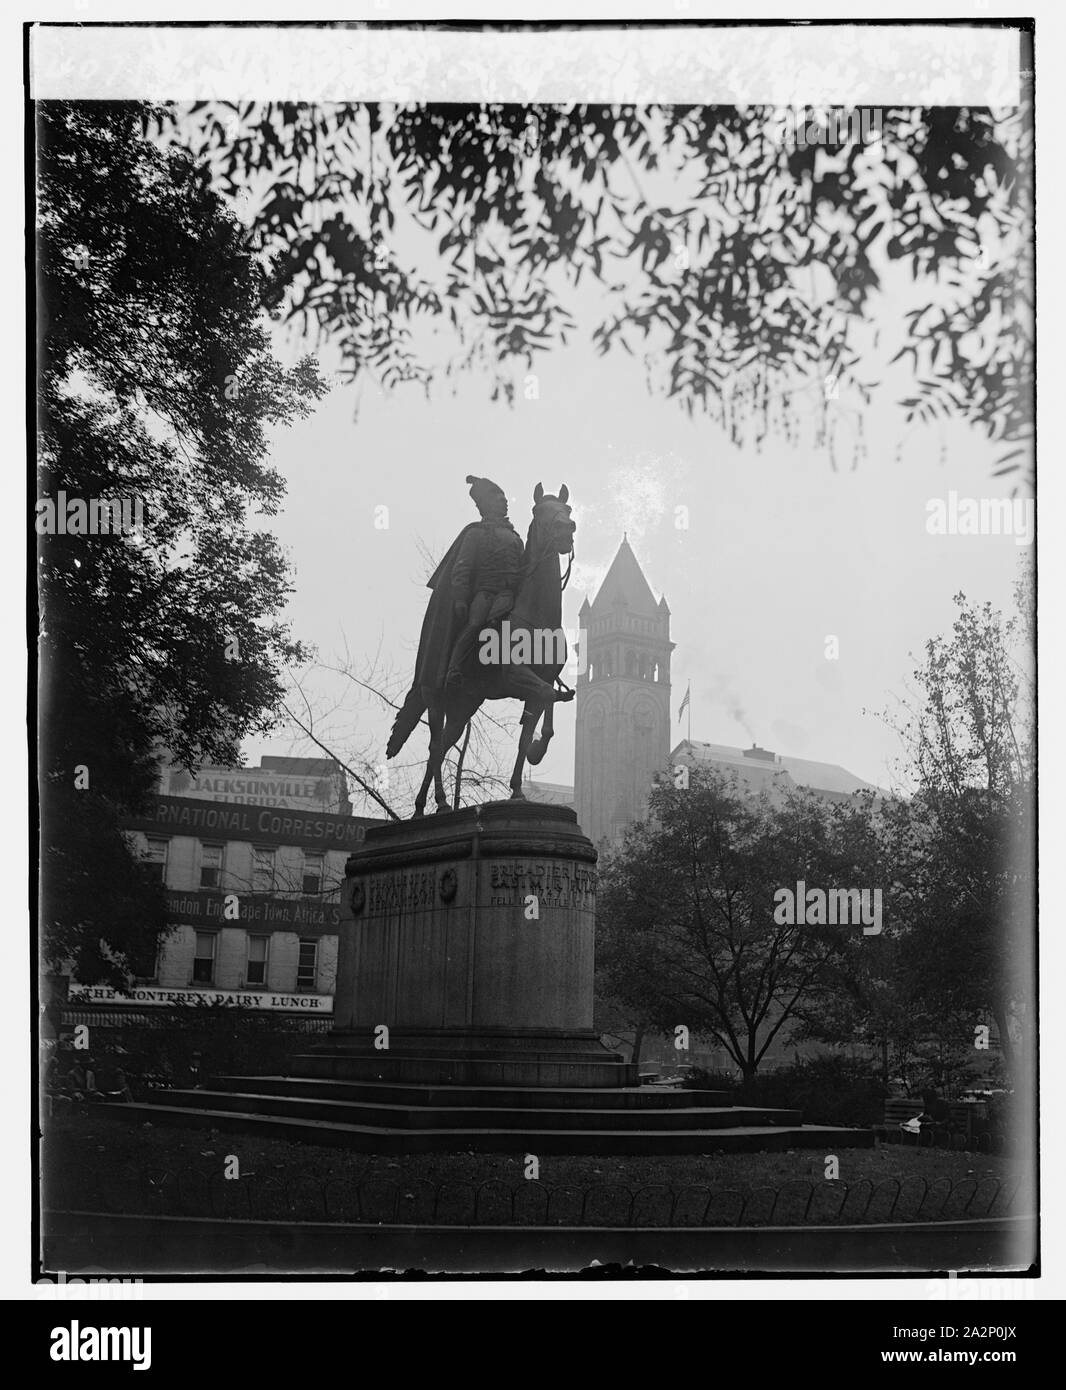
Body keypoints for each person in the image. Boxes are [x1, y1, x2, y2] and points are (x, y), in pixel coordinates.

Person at [444, 475, 525, 686]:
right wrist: (461, 598)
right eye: (499, 498)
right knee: (475, 625)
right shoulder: (476, 534)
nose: (505, 501)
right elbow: (463, 567)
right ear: (487, 504)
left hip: (511, 596)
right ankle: (454, 668)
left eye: (505, 498)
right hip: (487, 594)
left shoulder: (515, 538)